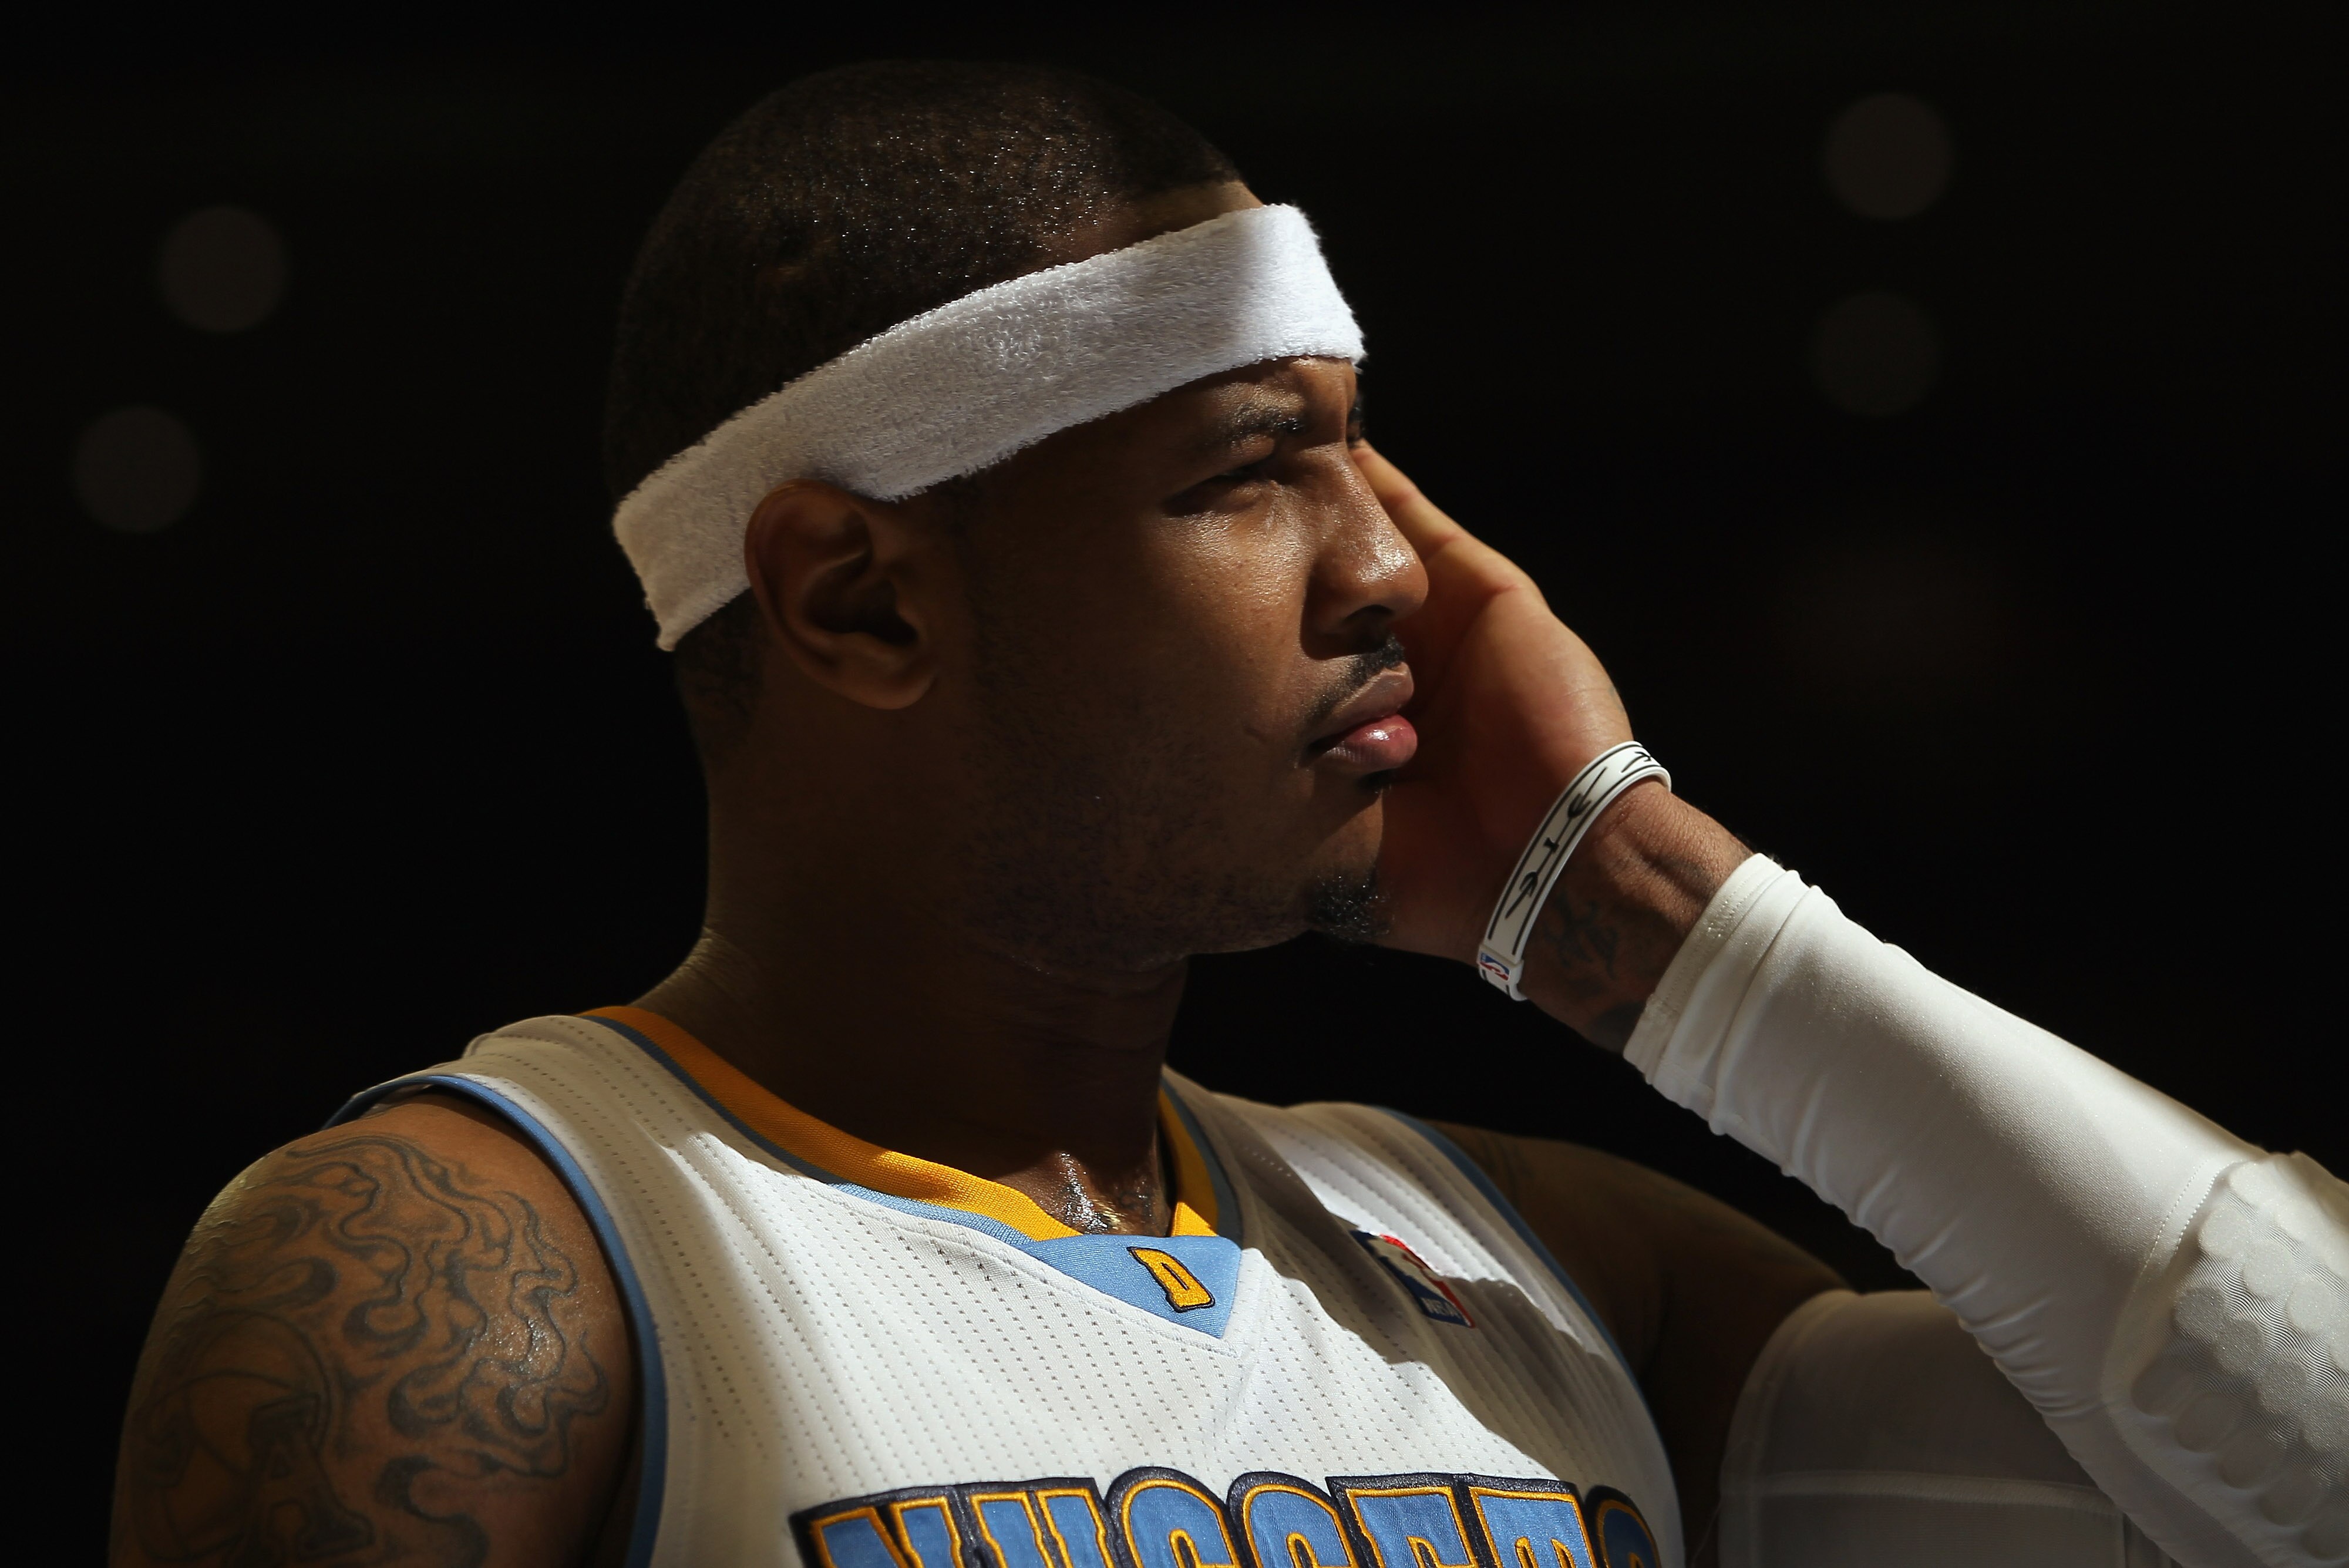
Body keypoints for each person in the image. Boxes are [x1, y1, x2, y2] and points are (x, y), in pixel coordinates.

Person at [109, 61, 2344, 1568]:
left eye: (1367, 456)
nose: (1398, 568)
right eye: (1252, 469)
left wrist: (1668, 923)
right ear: (860, 599)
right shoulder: (469, 1273)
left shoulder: (1545, 1263)